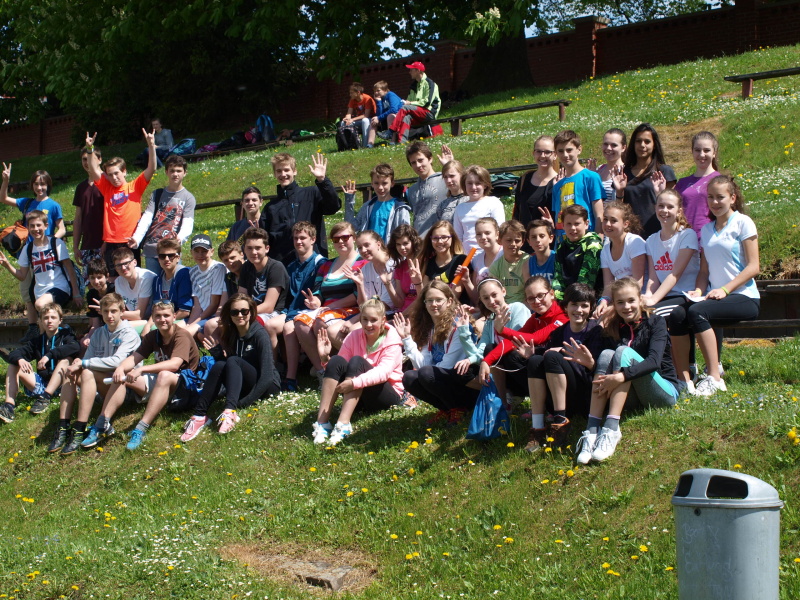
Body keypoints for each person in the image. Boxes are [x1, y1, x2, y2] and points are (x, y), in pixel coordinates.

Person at [576, 278, 682, 464]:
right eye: (620, 302)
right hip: (632, 396)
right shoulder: (614, 326)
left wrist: (622, 376)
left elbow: (654, 362)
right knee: (607, 354)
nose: (626, 307)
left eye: (631, 300)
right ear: (614, 305)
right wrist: (592, 365)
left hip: (663, 392)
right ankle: (592, 430)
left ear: (640, 299)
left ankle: (611, 429)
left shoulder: (656, 322)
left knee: (623, 351)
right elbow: (607, 367)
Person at [82, 299, 200, 451]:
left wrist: (142, 369)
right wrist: (121, 368)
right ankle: (102, 423)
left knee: (164, 375)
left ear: (174, 316)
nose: (162, 319)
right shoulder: (153, 336)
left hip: (184, 384)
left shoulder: (181, 335)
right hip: (162, 382)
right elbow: (134, 358)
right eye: (158, 316)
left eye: (166, 315)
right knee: (123, 377)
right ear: (153, 318)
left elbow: (174, 365)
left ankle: (140, 429)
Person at [680, 176, 760, 396]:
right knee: (681, 313)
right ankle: (685, 376)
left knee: (698, 312)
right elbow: (704, 272)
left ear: (732, 198)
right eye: (710, 197)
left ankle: (714, 377)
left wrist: (725, 289)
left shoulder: (743, 222)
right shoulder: (706, 230)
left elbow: (754, 267)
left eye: (720, 197)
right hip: (717, 297)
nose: (715, 202)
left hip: (745, 297)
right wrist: (698, 290)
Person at [181, 294, 280, 441]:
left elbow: (267, 375)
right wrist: (217, 354)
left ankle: (230, 411)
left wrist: (243, 402)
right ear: (230, 315)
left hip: (267, 386)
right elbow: (230, 368)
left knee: (233, 360)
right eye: (235, 312)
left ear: (251, 312)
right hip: (245, 384)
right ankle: (200, 415)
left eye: (244, 311)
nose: (240, 315)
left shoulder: (260, 334)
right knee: (220, 364)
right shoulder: (232, 333)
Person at [52, 293, 141, 454]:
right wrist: (77, 365)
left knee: (86, 372)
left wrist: (83, 363)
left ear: (122, 311)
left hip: (123, 388)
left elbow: (117, 362)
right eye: (105, 311)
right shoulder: (99, 333)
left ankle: (80, 428)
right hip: (102, 383)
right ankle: (63, 426)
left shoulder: (129, 333)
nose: (109, 315)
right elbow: (87, 360)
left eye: (114, 311)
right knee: (71, 373)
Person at [518, 283, 603, 453]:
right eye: (574, 305)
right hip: (560, 394)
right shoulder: (559, 333)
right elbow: (548, 356)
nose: (579, 310)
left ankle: (560, 422)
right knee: (535, 360)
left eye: (584, 305)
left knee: (552, 356)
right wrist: (532, 354)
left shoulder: (596, 332)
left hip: (584, 394)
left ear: (591, 308)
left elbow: (600, 369)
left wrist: (589, 363)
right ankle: (538, 427)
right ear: (566, 307)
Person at [312, 297, 405, 445]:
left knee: (357, 361)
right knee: (336, 360)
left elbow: (383, 373)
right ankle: (322, 424)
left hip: (386, 395)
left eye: (373, 320)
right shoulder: (354, 336)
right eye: (364, 319)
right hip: (359, 393)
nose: (368, 324)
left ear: (383, 320)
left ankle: (343, 424)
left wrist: (354, 383)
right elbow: (340, 367)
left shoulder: (391, 338)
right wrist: (325, 359)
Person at [294, 222, 367, 385]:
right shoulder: (327, 264)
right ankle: (323, 370)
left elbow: (357, 294)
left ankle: (341, 366)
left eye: (345, 237)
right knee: (300, 323)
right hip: (327, 309)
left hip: (351, 309)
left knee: (320, 322)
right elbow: (319, 291)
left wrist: (330, 306)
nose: (340, 241)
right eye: (336, 239)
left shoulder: (361, 262)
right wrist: (315, 302)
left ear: (354, 238)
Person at [1, 164, 67, 341]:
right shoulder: (27, 203)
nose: (39, 187)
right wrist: (6, 180)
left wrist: (51, 242)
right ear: (32, 185)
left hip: (45, 256)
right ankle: (32, 328)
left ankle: (51, 326)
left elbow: (61, 228)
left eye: (43, 184)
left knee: (43, 291)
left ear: (48, 185)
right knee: (27, 292)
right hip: (28, 255)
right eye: (36, 184)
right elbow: (4, 198)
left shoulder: (53, 205)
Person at [397, 281, 479, 425]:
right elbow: (423, 365)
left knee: (426, 373)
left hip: (467, 386)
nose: (433, 304)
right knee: (409, 377)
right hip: (447, 380)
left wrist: (426, 372)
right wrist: (406, 338)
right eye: (429, 300)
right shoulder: (431, 328)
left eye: (438, 300)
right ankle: (447, 409)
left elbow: (447, 366)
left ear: (449, 301)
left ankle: (459, 408)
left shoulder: (458, 326)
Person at [644, 189, 701, 391]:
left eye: (670, 207)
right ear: (655, 208)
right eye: (661, 206)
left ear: (679, 211)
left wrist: (653, 301)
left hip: (686, 295)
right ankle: (659, 370)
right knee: (641, 313)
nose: (665, 210)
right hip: (665, 295)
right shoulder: (651, 240)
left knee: (656, 315)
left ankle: (682, 371)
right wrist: (647, 296)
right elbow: (653, 277)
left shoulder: (687, 235)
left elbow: (675, 274)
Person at [479, 276, 567, 401]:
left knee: (526, 358)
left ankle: (546, 403)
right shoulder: (535, 317)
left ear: (551, 294)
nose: (536, 301)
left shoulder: (562, 316)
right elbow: (514, 341)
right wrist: (486, 361)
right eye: (531, 298)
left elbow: (535, 338)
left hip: (562, 372)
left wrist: (502, 330)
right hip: (544, 368)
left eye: (540, 295)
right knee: (498, 351)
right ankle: (505, 402)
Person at [84, 130, 157, 273]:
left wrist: (151, 145)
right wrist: (89, 149)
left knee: (132, 276)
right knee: (113, 278)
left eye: (116, 173)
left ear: (124, 171)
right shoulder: (107, 188)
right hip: (111, 242)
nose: (114, 178)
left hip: (130, 241)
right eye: (110, 175)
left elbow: (152, 168)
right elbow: (93, 170)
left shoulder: (135, 186)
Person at [0, 211, 82, 330]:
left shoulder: (56, 243)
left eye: (38, 225)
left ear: (46, 226)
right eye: (32, 226)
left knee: (40, 305)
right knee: (44, 329)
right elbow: (22, 276)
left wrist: (76, 293)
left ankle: (63, 329)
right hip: (39, 292)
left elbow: (70, 269)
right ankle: (63, 331)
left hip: (59, 287)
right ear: (28, 228)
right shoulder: (27, 249)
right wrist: (7, 265)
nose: (36, 229)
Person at [1, 304, 79, 422]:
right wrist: (20, 359)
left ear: (60, 320)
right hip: (42, 383)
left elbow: (75, 347)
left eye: (53, 317)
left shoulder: (67, 336)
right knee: (13, 365)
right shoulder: (37, 341)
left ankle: (45, 398)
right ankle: (9, 406)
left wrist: (49, 355)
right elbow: (15, 353)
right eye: (45, 318)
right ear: (41, 321)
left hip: (62, 385)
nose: (49, 321)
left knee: (66, 360)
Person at [260, 152, 341, 264]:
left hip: (313, 261)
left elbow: (333, 207)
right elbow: (265, 240)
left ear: (294, 171)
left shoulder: (311, 194)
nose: (283, 174)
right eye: (279, 171)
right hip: (284, 265)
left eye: (286, 170)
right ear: (274, 174)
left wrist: (323, 180)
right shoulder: (270, 207)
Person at [129, 155, 196, 276]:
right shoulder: (157, 194)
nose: (175, 174)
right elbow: (147, 217)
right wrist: (137, 238)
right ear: (166, 172)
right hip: (152, 249)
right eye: (172, 171)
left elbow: (188, 223)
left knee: (174, 282)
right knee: (153, 283)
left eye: (179, 171)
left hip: (171, 250)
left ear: (185, 173)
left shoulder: (188, 198)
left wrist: (180, 238)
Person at [282, 222, 327, 392]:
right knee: (270, 326)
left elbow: (321, 292)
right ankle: (277, 370)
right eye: (296, 238)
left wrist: (315, 301)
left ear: (313, 239)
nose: (299, 241)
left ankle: (292, 377)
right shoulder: (291, 266)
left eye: (303, 238)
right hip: (291, 310)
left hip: (310, 310)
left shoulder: (320, 263)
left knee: (288, 328)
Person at [613, 123, 676, 237]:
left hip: (658, 234)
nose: (642, 145)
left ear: (654, 145)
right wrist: (620, 192)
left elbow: (672, 206)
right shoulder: (623, 174)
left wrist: (660, 194)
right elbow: (619, 208)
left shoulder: (663, 172)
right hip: (630, 236)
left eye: (647, 141)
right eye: (638, 141)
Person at [458, 278, 530, 368]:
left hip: (520, 361)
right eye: (486, 298)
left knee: (492, 350)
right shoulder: (490, 321)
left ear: (503, 291)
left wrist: (501, 330)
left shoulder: (518, 308)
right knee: (469, 365)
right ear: (482, 300)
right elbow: (479, 354)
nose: (491, 301)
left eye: (494, 295)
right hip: (502, 365)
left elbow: (517, 342)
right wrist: (463, 331)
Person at [237, 228, 289, 352]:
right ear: (244, 250)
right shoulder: (246, 267)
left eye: (258, 248)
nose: (253, 252)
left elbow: (269, 306)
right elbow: (241, 298)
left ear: (267, 248)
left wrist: (244, 313)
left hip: (276, 313)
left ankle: (270, 362)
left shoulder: (275, 267)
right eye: (249, 248)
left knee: (251, 323)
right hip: (252, 310)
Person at [595, 202, 647, 317]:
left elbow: (638, 283)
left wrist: (615, 306)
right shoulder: (605, 251)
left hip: (639, 298)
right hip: (622, 300)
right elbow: (608, 286)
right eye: (605, 219)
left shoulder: (634, 242)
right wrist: (603, 302)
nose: (607, 224)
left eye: (613, 221)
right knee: (598, 318)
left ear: (625, 224)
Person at [551, 130, 604, 241]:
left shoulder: (591, 177)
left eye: (569, 150)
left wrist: (599, 239)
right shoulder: (557, 186)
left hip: (586, 240)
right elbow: (557, 216)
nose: (565, 155)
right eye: (560, 151)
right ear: (556, 153)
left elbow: (599, 214)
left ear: (579, 149)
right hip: (563, 243)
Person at [344, 163, 411, 244]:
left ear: (392, 183)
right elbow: (351, 228)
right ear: (372, 184)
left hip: (389, 251)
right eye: (376, 183)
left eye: (384, 183)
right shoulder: (367, 206)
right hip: (369, 250)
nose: (380, 187)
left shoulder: (400, 208)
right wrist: (349, 200)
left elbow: (405, 236)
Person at [675, 131, 721, 242]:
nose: (701, 155)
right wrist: (659, 191)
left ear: (714, 153)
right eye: (697, 150)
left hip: (710, 241)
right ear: (692, 152)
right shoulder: (682, 183)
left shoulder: (720, 181)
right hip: (684, 242)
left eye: (706, 150)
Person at [551, 205, 604, 300]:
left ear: (586, 224)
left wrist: (570, 303)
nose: (572, 228)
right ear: (563, 225)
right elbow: (558, 279)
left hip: (587, 299)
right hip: (568, 300)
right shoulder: (561, 247)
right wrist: (560, 300)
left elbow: (586, 282)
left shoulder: (593, 244)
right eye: (569, 224)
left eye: (577, 224)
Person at [513, 135, 557, 245]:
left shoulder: (559, 182)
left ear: (555, 155)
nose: (542, 155)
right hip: (525, 243)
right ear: (533, 153)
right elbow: (517, 212)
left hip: (549, 244)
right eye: (539, 151)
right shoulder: (524, 179)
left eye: (548, 152)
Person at [453, 165, 506, 252]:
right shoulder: (460, 208)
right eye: (469, 183)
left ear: (485, 185)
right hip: (467, 255)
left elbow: (500, 231)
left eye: (478, 183)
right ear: (464, 185)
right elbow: (458, 236)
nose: (473, 187)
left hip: (490, 253)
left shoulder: (494, 203)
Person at [184, 233, 227, 340]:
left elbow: (214, 304)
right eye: (196, 251)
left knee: (184, 334)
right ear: (191, 252)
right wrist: (189, 324)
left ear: (212, 251)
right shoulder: (193, 271)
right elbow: (197, 305)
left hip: (213, 315)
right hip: (201, 315)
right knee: (177, 330)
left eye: (204, 251)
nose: (200, 255)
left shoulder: (218, 268)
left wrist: (195, 323)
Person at [405, 141, 450, 237]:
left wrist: (449, 166)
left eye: (420, 160)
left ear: (430, 159)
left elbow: (463, 187)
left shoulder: (445, 180)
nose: (418, 165)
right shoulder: (412, 190)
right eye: (413, 163)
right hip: (420, 240)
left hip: (440, 237)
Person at [72, 147, 105, 276]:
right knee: (90, 283)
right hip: (87, 245)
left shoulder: (107, 182)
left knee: (107, 282)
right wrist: (75, 246)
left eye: (91, 158)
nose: (87, 162)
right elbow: (78, 218)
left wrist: (107, 243)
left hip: (106, 244)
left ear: (100, 160)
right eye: (84, 159)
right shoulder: (81, 187)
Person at [389, 61, 441, 144]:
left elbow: (427, 103)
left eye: (411, 70)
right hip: (417, 113)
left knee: (406, 108)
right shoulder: (413, 86)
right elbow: (408, 101)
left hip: (429, 113)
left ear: (418, 71)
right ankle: (402, 142)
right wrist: (407, 103)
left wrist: (409, 103)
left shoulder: (430, 84)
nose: (409, 72)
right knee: (406, 117)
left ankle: (391, 131)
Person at [419, 220, 472, 301]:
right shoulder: (429, 263)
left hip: (455, 306)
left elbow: (455, 295)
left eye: (444, 237)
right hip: (434, 306)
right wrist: (417, 282)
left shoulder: (461, 260)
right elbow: (425, 294)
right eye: (435, 238)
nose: (440, 241)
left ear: (452, 238)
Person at [147, 238, 192, 328]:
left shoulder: (184, 274)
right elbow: (156, 308)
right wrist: (148, 325)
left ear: (178, 258)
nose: (166, 259)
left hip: (183, 319)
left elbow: (185, 312)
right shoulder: (157, 280)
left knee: (155, 330)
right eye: (162, 256)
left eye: (171, 256)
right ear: (158, 259)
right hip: (162, 319)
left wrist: (159, 323)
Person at [111, 246, 156, 331]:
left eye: (126, 263)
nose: (123, 268)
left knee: (118, 327)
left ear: (135, 262)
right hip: (137, 321)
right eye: (119, 265)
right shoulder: (118, 282)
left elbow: (139, 315)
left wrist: (111, 312)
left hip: (153, 320)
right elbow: (122, 309)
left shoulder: (146, 277)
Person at [488, 220, 528, 304]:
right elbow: (494, 292)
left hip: (526, 304)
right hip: (504, 305)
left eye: (517, 240)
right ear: (499, 240)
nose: (513, 244)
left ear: (523, 242)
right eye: (509, 240)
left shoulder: (528, 261)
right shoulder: (496, 267)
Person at [387, 224, 422, 313]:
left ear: (413, 242)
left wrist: (405, 314)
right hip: (402, 312)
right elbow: (400, 303)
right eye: (398, 244)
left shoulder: (425, 262)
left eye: (405, 243)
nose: (402, 248)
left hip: (419, 312)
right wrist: (387, 284)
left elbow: (424, 297)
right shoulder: (400, 267)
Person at [81, 258, 115, 350]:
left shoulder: (114, 291)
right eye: (92, 278)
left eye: (99, 277)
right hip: (102, 327)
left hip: (114, 326)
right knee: (83, 342)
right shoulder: (91, 295)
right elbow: (95, 324)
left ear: (107, 276)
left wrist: (105, 310)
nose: (96, 281)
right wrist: (88, 337)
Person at [589, 128, 627, 203]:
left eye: (614, 145)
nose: (608, 148)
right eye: (605, 144)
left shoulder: (626, 171)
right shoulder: (599, 169)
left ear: (623, 148)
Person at [341, 82, 377, 148]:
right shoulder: (352, 100)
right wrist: (347, 118)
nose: (350, 95)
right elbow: (349, 113)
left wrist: (352, 119)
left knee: (365, 120)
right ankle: (346, 145)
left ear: (358, 92)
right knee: (343, 123)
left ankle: (365, 145)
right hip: (359, 120)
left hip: (371, 120)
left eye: (352, 93)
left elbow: (366, 115)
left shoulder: (367, 99)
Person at [470, 217, 502, 289]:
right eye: (479, 234)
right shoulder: (476, 260)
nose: (483, 237)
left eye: (487, 233)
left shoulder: (505, 254)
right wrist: (466, 281)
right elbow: (475, 292)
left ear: (497, 234)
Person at [436, 159, 468, 223]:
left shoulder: (470, 200)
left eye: (452, 176)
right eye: (445, 177)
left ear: (462, 175)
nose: (448, 180)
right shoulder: (442, 205)